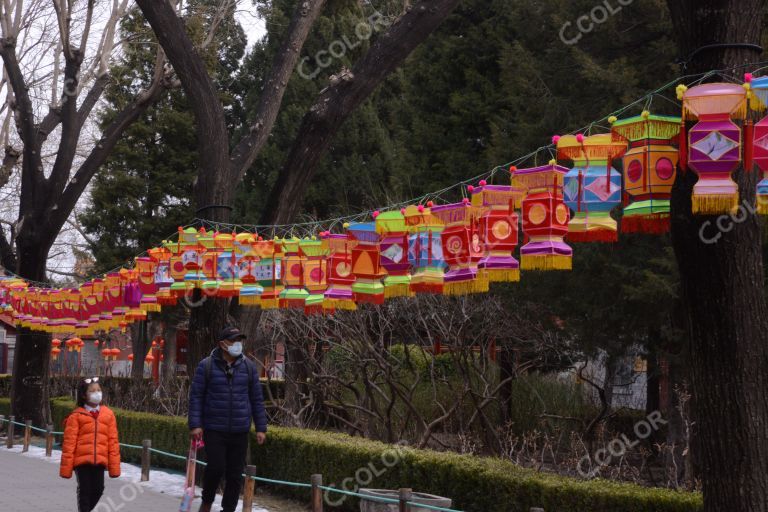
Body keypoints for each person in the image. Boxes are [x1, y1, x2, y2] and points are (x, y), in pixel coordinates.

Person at [189, 326, 268, 512]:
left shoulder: (248, 367)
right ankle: (207, 501)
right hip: (214, 428)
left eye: (239, 340)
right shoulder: (206, 366)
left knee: (235, 475)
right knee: (215, 468)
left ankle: (229, 509)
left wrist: (261, 427)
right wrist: (195, 425)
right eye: (233, 341)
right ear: (222, 344)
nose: (237, 345)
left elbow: (256, 398)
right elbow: (196, 397)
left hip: (240, 429)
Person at [59, 377, 121, 512]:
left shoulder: (108, 415)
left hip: (100, 460)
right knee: (85, 490)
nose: (97, 393)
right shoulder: (76, 416)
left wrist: (114, 467)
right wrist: (66, 468)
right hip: (81, 461)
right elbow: (69, 443)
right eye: (92, 391)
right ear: (83, 395)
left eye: (99, 390)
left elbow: (113, 442)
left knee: (98, 489)